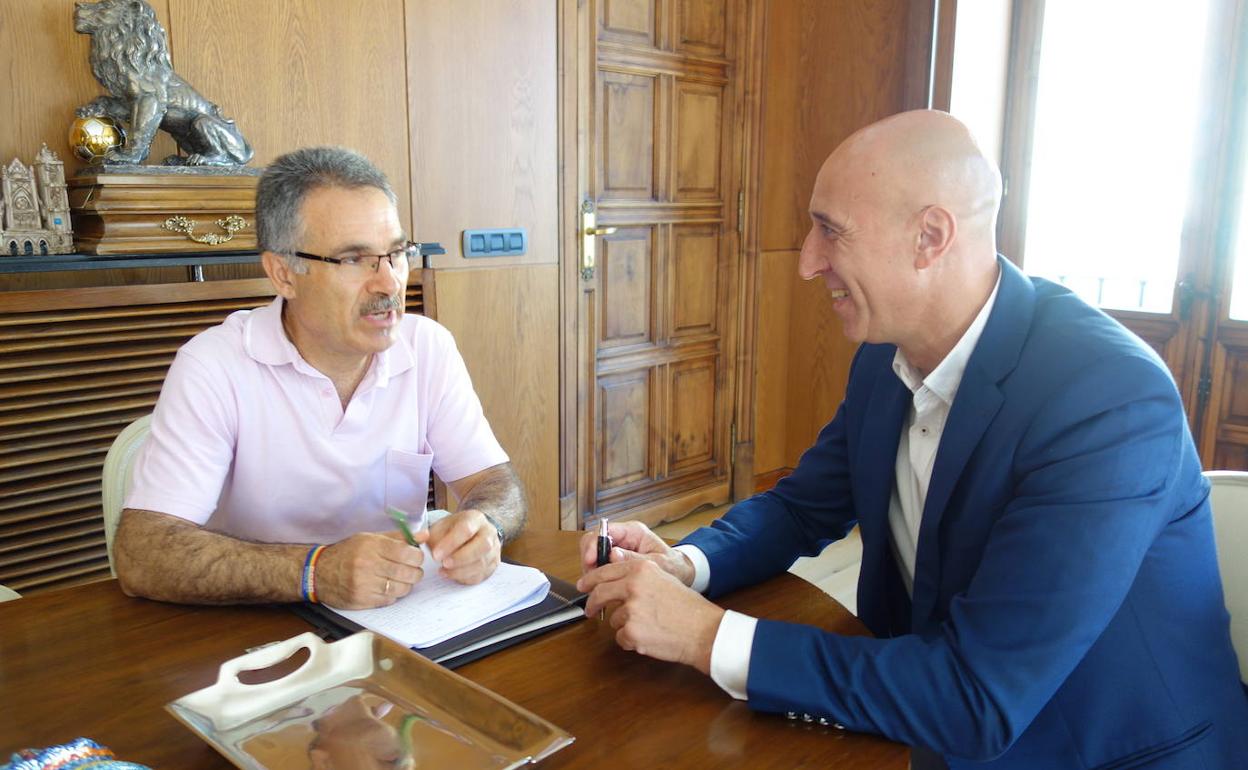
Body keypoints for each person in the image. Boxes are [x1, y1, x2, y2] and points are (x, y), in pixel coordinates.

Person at [578, 110, 1248, 769]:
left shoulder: (1108, 402)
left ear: (931, 237)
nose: (808, 262)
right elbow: (802, 507)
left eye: (830, 232)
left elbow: (977, 698)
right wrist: (685, 567)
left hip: (1089, 749)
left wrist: (706, 635)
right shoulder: (885, 355)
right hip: (917, 720)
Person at [114, 146, 525, 610]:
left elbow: (496, 482)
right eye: (354, 260)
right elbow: (143, 553)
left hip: (399, 620)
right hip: (254, 633)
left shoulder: (427, 347)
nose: (389, 283)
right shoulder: (215, 366)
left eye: (396, 253)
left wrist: (485, 525)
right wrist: (314, 571)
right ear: (283, 274)